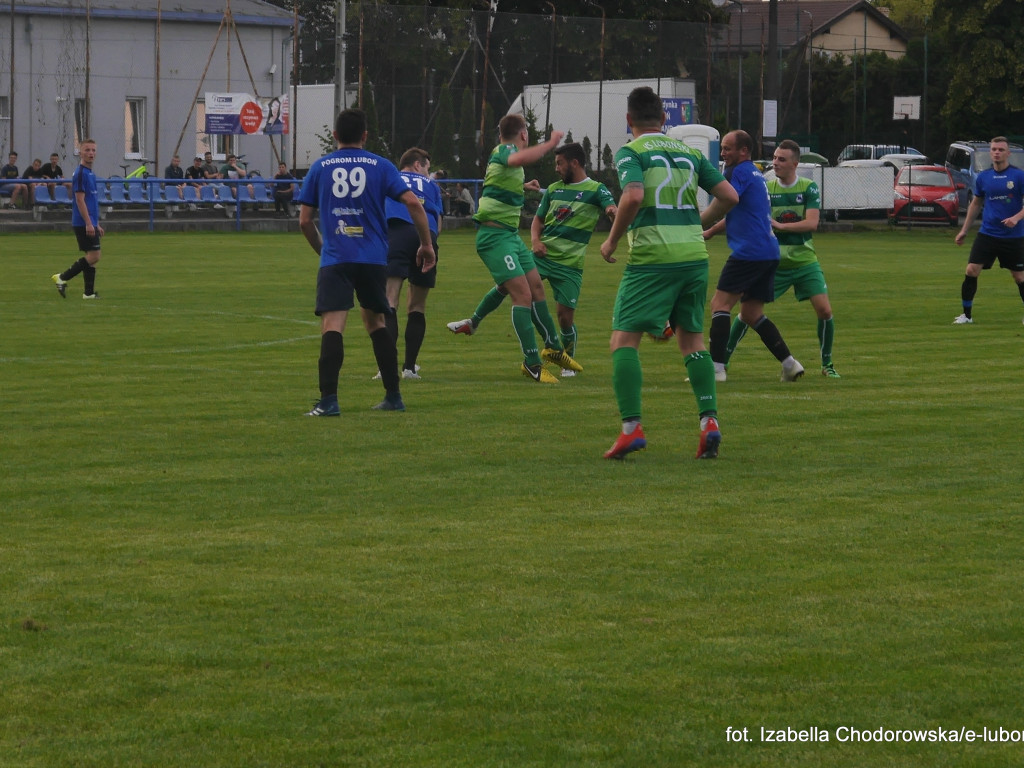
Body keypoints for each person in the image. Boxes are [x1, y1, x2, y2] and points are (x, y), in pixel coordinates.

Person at [599, 86, 737, 460]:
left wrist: (612, 240)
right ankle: (709, 422)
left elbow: (633, 196)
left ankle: (631, 429)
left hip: (653, 258)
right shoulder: (690, 153)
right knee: (693, 342)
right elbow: (729, 197)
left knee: (623, 341)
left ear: (629, 119)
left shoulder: (631, 152)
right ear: (664, 119)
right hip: (693, 257)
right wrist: (696, 223)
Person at [297, 108, 436, 416]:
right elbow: (413, 203)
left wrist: (323, 250)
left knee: (333, 325)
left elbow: (305, 221)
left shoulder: (320, 167)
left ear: (335, 135)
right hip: (373, 259)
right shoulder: (381, 165)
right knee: (376, 323)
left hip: (337, 258)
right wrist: (426, 245)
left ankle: (329, 401)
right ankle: (393, 396)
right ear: (365, 135)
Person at [444, 113, 581, 384]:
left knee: (536, 287)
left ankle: (553, 348)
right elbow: (517, 159)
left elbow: (499, 184)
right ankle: (532, 363)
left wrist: (524, 186)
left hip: (509, 235)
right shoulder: (506, 150)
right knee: (522, 295)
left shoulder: (504, 157)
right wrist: (550, 143)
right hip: (494, 238)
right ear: (524, 135)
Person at [722, 139, 840, 378]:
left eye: (782, 159)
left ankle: (827, 365)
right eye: (774, 158)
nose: (775, 162)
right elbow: (739, 215)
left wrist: (780, 226)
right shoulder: (765, 187)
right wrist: (711, 230)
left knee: (825, 311)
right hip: (773, 263)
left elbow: (812, 223)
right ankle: (721, 362)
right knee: (746, 314)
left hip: (804, 261)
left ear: (795, 164)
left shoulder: (808, 187)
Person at [703, 129, 805, 384]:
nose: (723, 153)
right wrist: (711, 231)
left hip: (749, 251)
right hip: (768, 251)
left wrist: (696, 222)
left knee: (719, 305)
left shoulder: (736, 172)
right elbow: (741, 211)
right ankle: (790, 364)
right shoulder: (754, 174)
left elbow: (725, 201)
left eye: (727, 148)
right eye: (722, 148)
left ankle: (716, 369)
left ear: (744, 151)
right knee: (751, 313)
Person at [530, 141, 617, 375]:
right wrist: (536, 241)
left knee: (565, 318)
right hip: (542, 257)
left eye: (560, 163)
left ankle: (567, 361)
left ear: (574, 163)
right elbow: (538, 220)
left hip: (570, 265)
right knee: (517, 290)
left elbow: (612, 209)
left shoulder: (597, 189)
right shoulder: (553, 189)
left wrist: (612, 213)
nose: (556, 168)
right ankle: (544, 348)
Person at [380, 147, 443, 380]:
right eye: (427, 167)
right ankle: (409, 368)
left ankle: (386, 368)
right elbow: (438, 221)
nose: (428, 172)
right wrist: (430, 243)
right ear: (418, 165)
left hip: (396, 232)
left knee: (389, 301)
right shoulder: (432, 187)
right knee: (417, 306)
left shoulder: (390, 178)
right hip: (426, 236)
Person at [953, 136, 1024, 324]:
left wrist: (1016, 218)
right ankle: (967, 316)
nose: (997, 152)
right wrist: (964, 230)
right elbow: (976, 204)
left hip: (1013, 236)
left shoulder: (1019, 176)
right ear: (990, 153)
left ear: (1008, 153)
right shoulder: (984, 177)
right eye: (994, 149)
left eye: (1001, 150)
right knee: (971, 270)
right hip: (988, 234)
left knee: (1019, 277)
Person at [51, 138, 103, 300]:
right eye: (87, 150)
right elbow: (80, 200)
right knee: (94, 256)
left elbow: (91, 201)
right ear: (80, 153)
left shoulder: (90, 173)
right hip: (83, 222)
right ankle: (62, 277)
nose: (91, 153)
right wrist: (88, 223)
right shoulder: (80, 173)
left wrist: (96, 223)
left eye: (93, 150)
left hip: (90, 222)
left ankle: (88, 293)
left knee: (91, 257)